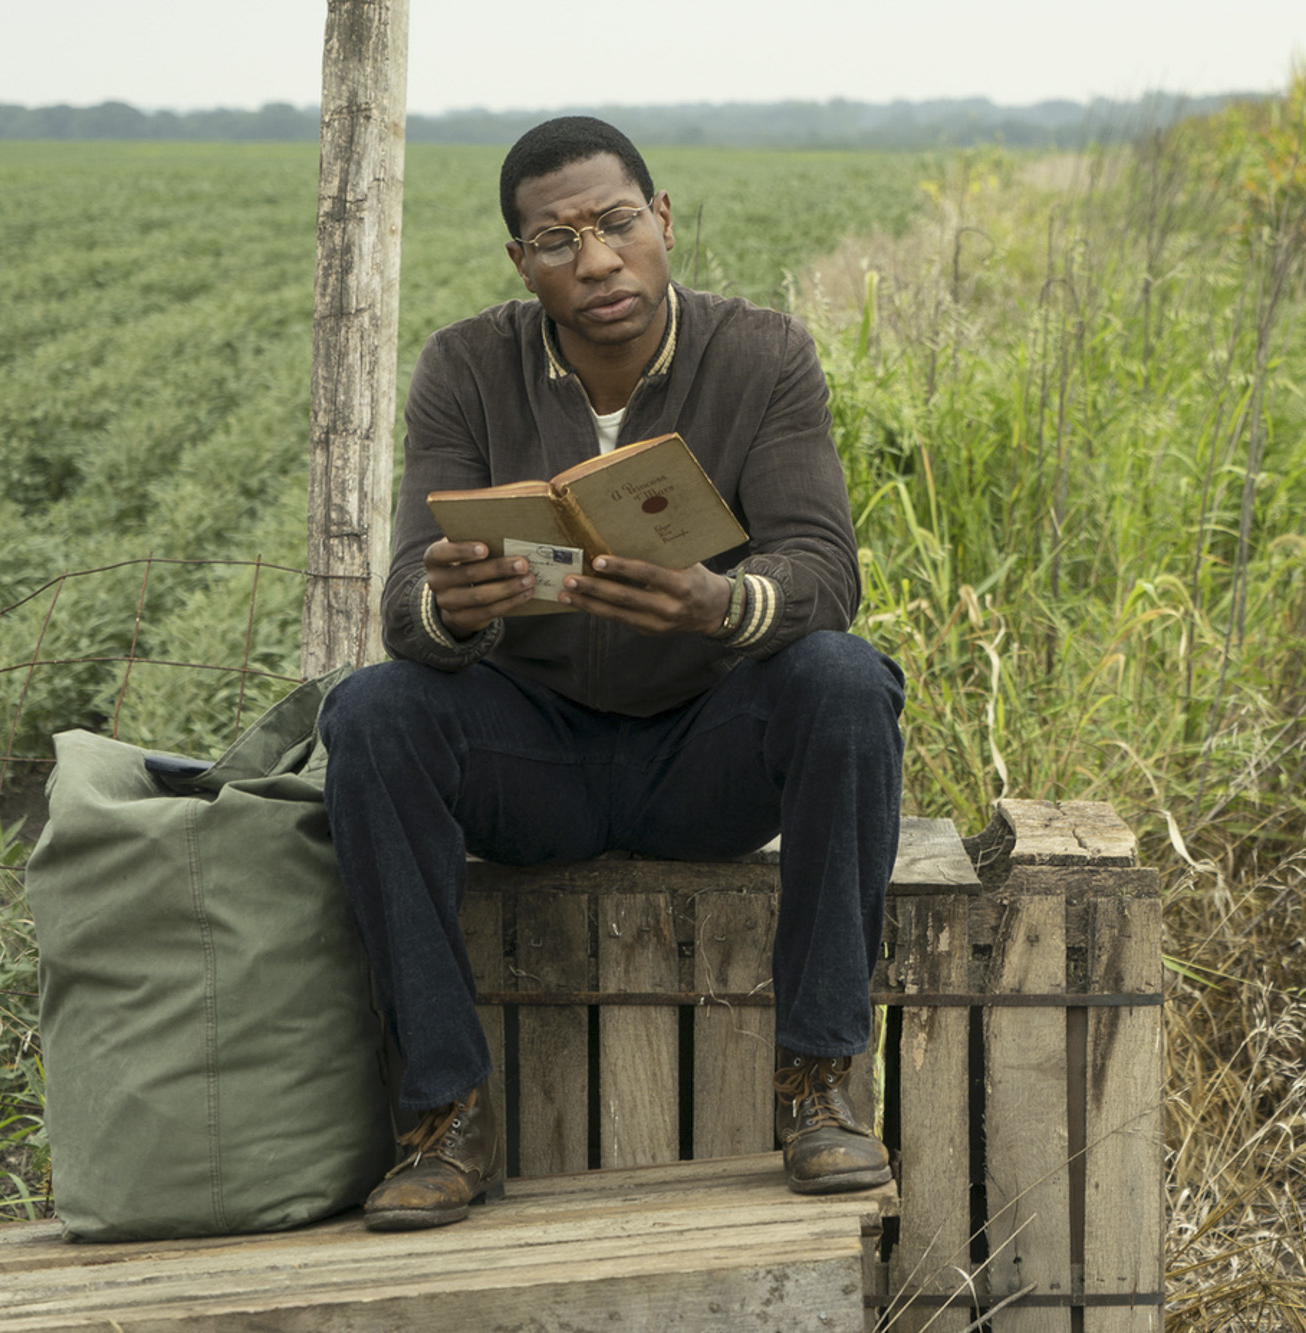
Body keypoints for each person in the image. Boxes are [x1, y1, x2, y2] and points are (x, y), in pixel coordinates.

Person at [317, 115, 905, 1232]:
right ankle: (444, 1112)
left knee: (844, 679)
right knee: (374, 711)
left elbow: (823, 567)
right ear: (520, 263)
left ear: (662, 219)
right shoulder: (464, 367)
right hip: (531, 757)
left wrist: (719, 603)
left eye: (616, 224)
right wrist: (450, 604)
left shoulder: (761, 354)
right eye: (555, 240)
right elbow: (403, 604)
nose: (594, 262)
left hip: (704, 752)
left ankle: (821, 1082)